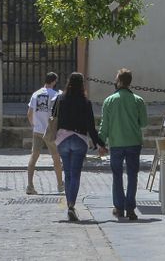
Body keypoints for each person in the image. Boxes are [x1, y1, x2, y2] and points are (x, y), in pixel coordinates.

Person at [51, 71, 106, 223]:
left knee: (67, 174)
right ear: (82, 84)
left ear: (68, 83)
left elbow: (53, 116)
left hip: (63, 139)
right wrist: (100, 144)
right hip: (79, 140)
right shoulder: (85, 102)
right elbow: (91, 127)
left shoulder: (60, 99)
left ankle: (69, 205)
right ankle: (71, 205)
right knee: (75, 175)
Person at [99, 68, 148, 221]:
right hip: (133, 142)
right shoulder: (138, 100)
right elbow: (144, 123)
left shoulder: (109, 101)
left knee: (117, 175)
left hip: (116, 143)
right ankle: (131, 208)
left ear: (119, 81)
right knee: (133, 175)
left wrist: (101, 143)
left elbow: (104, 125)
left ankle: (119, 207)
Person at [26, 71, 62, 194]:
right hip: (50, 130)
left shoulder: (36, 94)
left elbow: (29, 113)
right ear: (54, 81)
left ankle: (30, 185)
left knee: (34, 157)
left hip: (37, 130)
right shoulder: (56, 95)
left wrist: (33, 125)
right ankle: (60, 185)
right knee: (56, 157)